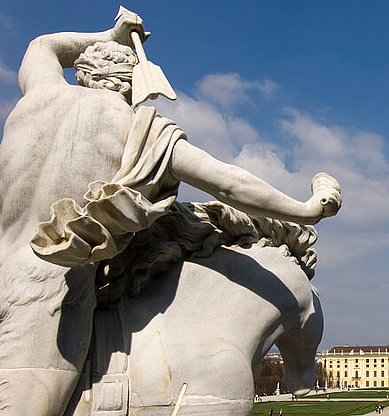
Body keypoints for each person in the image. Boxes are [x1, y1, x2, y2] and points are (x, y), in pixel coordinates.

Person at [0, 8, 340, 416]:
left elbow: (44, 46)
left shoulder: (39, 96)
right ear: (131, 84)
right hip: (47, 295)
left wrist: (110, 34)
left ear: (84, 72)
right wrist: (305, 210)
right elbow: (229, 185)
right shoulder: (138, 131)